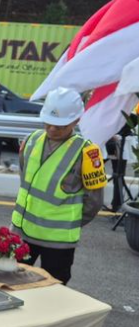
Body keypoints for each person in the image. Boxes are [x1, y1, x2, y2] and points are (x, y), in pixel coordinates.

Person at [13, 87, 105, 285]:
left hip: (58, 242)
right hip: (22, 233)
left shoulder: (88, 152)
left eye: (60, 125)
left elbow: (94, 201)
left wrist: (66, 223)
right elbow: (25, 180)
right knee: (11, 284)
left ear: (76, 120)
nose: (52, 129)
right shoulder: (31, 141)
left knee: (54, 291)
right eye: (49, 123)